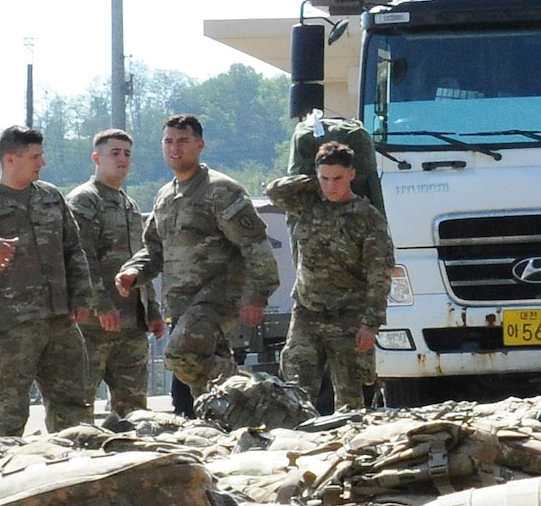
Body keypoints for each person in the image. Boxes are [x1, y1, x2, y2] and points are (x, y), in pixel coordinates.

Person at [117, 114, 282, 407]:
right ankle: (229, 416)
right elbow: (155, 250)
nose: (175, 148)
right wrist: (132, 272)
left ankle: (254, 387)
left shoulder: (221, 190)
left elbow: (255, 246)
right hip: (181, 303)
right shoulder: (165, 196)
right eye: (168, 141)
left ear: (200, 145)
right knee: (201, 391)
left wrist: (257, 296)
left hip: (218, 297)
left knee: (179, 355)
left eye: (183, 141)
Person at [0, 127, 97, 439]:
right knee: (7, 417)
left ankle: (73, 479)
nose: (42, 163)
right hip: (9, 331)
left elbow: (73, 251)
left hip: (59, 323)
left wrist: (82, 297)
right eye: (34, 157)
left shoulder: (51, 198)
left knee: (75, 410)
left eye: (41, 155)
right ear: (10, 159)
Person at [264, 140, 396, 412]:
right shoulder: (309, 203)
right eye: (325, 178)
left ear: (352, 175)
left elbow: (379, 275)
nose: (331, 185)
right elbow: (274, 192)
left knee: (350, 400)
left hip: (348, 317)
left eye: (337, 178)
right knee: (296, 392)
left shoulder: (367, 218)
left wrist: (371, 325)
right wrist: (311, 182)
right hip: (307, 313)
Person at [68, 128, 164, 425]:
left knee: (133, 410)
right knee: (77, 405)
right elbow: (82, 257)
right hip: (94, 326)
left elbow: (140, 260)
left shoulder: (128, 205)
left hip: (131, 325)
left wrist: (153, 311)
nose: (122, 159)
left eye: (127, 154)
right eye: (115, 153)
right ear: (97, 158)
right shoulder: (84, 200)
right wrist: (101, 305)